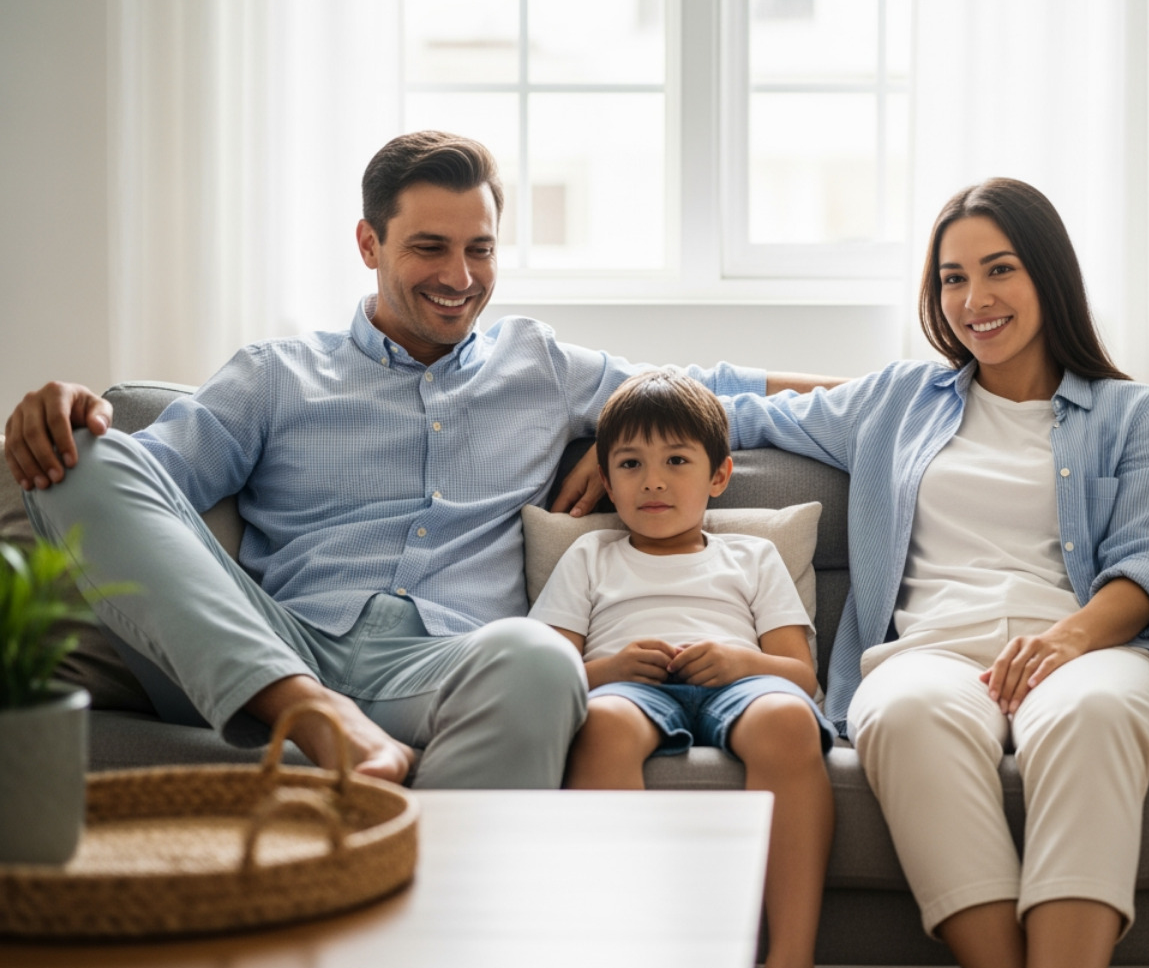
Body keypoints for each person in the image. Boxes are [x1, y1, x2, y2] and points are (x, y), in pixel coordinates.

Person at [3, 130, 837, 790]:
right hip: (272, 641)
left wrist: (905, 389)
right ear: (369, 243)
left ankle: (425, 902)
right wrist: (74, 409)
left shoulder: (539, 366)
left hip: (447, 664)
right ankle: (309, 713)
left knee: (542, 657)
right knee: (80, 453)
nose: (460, 276)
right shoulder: (274, 374)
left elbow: (714, 391)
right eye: (430, 247)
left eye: (481, 249)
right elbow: (144, 495)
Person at [719, 178, 1149, 968]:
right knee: (902, 718)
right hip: (929, 653)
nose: (976, 298)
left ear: (1047, 275)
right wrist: (614, 429)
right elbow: (731, 406)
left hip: (1089, 651)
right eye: (953, 278)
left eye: (999, 270)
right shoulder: (897, 401)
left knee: (1095, 718)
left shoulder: (1135, 415)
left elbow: (1146, 566)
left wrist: (1064, 641)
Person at [529, 369, 834, 968]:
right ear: (608, 484)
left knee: (786, 721)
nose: (655, 482)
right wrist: (610, 667)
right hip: (629, 687)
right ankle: (637, 948)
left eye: (676, 460)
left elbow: (799, 674)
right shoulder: (589, 555)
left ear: (718, 476)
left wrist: (740, 661)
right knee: (604, 726)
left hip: (740, 684)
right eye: (631, 465)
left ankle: (790, 959)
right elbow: (549, 671)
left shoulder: (753, 554)